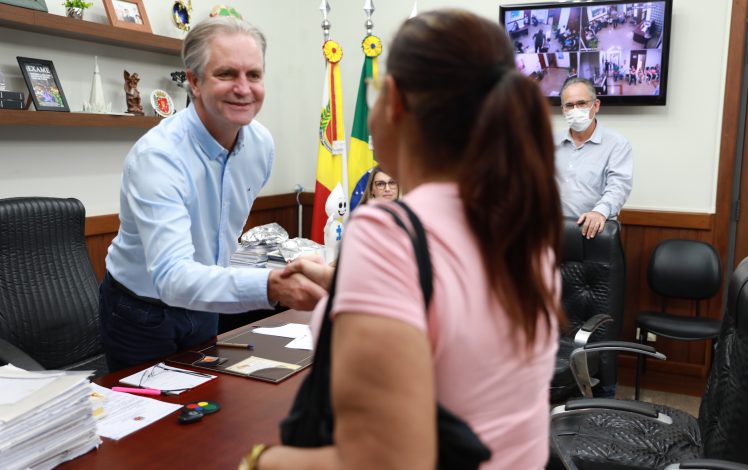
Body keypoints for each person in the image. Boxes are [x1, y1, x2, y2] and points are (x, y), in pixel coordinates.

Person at [240, 9, 563, 470]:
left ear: (391, 99)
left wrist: (258, 461)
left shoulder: (387, 231)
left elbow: (384, 461)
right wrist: (339, 281)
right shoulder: (518, 222)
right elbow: (452, 308)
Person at [99, 16, 326, 372]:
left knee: (207, 402)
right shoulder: (158, 157)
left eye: (253, 75)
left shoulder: (261, 144)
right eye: (226, 74)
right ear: (194, 81)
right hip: (140, 311)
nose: (243, 88)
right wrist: (272, 286)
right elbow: (173, 277)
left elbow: (220, 236)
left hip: (206, 300)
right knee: (150, 420)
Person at [555, 77, 633, 241]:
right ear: (563, 110)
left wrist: (599, 212)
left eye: (582, 103)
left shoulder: (617, 144)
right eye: (569, 105)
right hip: (551, 232)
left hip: (592, 234)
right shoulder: (550, 143)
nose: (575, 110)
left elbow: (619, 186)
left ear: (596, 105)